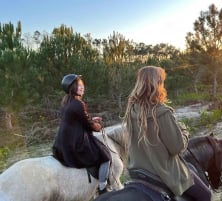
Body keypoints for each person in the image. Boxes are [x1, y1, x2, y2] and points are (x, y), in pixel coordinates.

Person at [123, 66, 211, 201]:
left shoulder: (131, 110)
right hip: (163, 172)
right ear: (157, 83)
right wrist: (184, 133)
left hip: (137, 170)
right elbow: (177, 147)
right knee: (206, 195)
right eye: (162, 81)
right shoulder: (162, 112)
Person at [52, 74, 111, 194]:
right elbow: (89, 125)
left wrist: (91, 119)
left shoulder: (67, 102)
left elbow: (78, 120)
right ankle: (102, 187)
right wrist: (98, 126)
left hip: (62, 143)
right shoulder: (78, 104)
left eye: (82, 85)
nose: (82, 87)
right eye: (79, 85)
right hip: (75, 145)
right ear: (72, 88)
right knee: (106, 156)